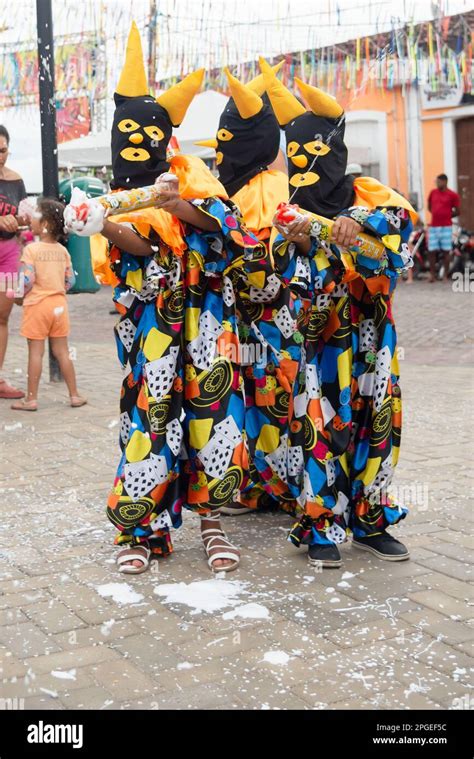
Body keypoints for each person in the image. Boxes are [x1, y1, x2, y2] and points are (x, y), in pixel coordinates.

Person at [65, 22, 264, 576]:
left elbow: (229, 229)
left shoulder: (190, 178)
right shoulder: (115, 194)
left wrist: (177, 205)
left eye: (146, 131)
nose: (136, 139)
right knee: (149, 417)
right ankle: (141, 528)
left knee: (213, 415)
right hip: (150, 323)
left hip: (207, 319)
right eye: (125, 130)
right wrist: (103, 223)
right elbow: (138, 250)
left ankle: (212, 522)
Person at [262, 61, 417, 567]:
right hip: (319, 342)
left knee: (377, 423)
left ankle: (370, 520)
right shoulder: (288, 213)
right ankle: (322, 526)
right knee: (319, 426)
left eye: (318, 153)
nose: (308, 165)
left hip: (372, 340)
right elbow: (284, 284)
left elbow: (400, 240)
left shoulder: (368, 194)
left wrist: (354, 221)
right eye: (297, 155)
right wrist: (305, 243)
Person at [197, 63, 301, 518]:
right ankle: (257, 486)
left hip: (276, 318)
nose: (224, 153)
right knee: (250, 399)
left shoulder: (271, 189)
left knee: (281, 394)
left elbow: (267, 261)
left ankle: (287, 487)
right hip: (239, 320)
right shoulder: (231, 188)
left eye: (231, 140)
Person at [10, 198, 87, 411]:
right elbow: (70, 281)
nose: (30, 220)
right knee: (62, 351)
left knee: (36, 352)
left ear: (44, 225)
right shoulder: (63, 251)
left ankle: (31, 399)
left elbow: (27, 280)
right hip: (59, 305)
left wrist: (17, 296)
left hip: (37, 306)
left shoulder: (31, 250)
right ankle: (74, 394)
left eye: (35, 215)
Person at [0, 125, 29, 400]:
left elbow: (24, 218)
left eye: (3, 150)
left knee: (3, 316)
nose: (0, 156)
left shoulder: (16, 181)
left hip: (9, 253)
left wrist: (22, 223)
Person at [427, 174, 460, 283]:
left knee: (446, 251)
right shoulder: (433, 193)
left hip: (446, 227)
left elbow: (458, 211)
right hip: (434, 226)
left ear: (445, 181)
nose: (437, 184)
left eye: (439, 182)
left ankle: (445, 275)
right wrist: (436, 214)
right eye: (436, 181)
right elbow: (429, 206)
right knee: (431, 251)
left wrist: (447, 215)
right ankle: (432, 275)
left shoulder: (453, 195)